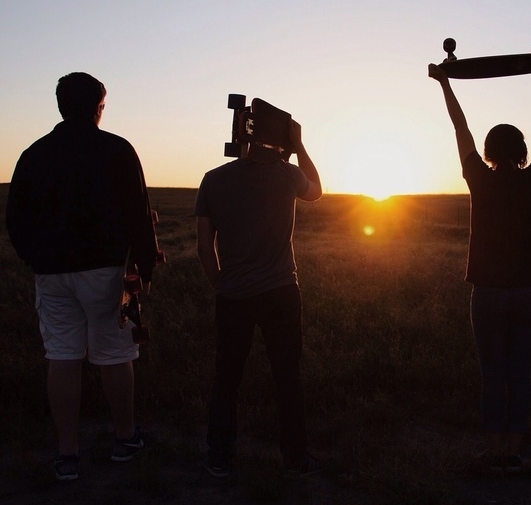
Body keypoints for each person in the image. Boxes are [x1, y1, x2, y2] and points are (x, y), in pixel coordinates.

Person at [6, 72, 160, 481]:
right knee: (114, 354)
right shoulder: (117, 149)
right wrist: (144, 266)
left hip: (52, 274)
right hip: (106, 272)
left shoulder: (32, 154)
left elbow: (15, 220)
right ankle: (125, 439)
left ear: (60, 106)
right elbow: (139, 213)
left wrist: (35, 260)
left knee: (62, 356)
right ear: (98, 107)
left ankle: (67, 454)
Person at [428, 59, 531, 471]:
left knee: (493, 373)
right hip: (529, 292)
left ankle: (494, 449)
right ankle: (513, 451)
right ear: (523, 150)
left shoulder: (479, 176)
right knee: (520, 373)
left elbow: (460, 129)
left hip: (488, 293)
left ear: (491, 151)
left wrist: (445, 83)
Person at [195, 118, 322, 479]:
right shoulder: (287, 175)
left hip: (233, 295)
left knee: (226, 378)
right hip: (281, 291)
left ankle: (219, 457)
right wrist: (300, 147)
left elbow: (205, 247)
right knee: (287, 377)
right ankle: (295, 459)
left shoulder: (213, 179)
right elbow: (317, 191)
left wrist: (221, 283)